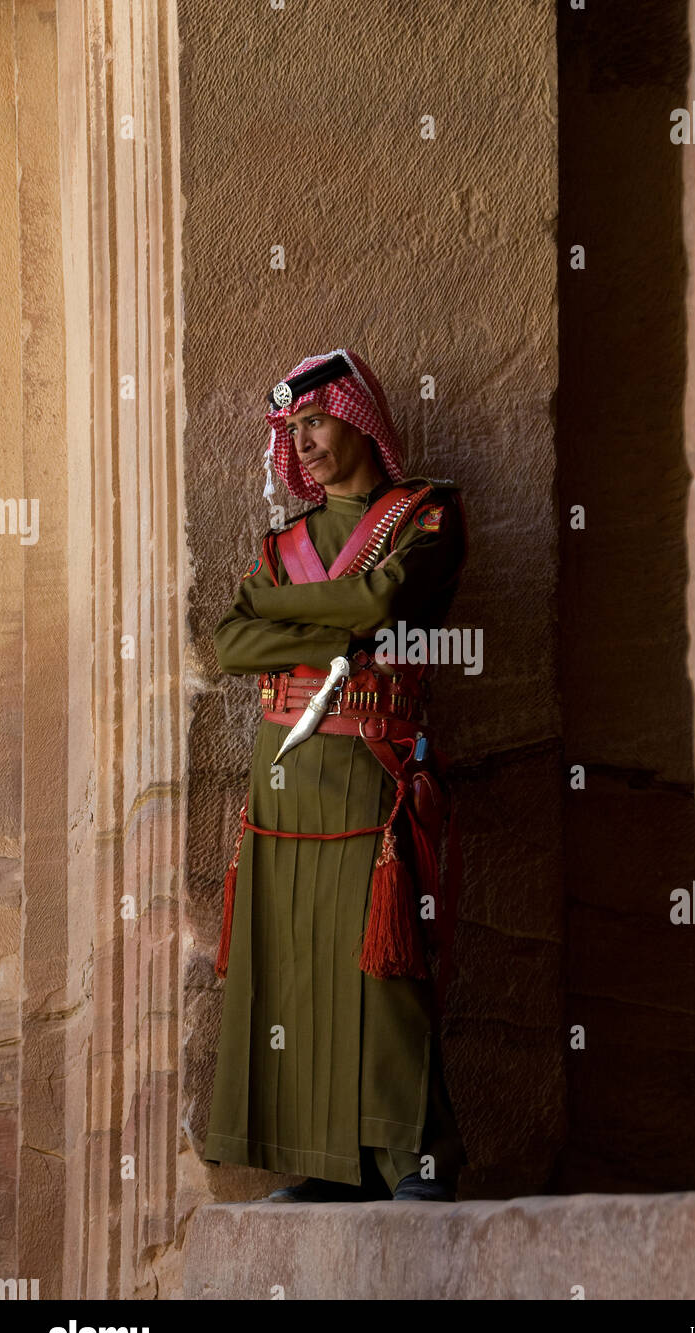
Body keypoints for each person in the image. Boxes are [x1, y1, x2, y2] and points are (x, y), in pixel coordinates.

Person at [203, 348, 468, 1201]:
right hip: (281, 770)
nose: (303, 445)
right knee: (294, 965)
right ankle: (330, 1166)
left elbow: (390, 603)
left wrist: (277, 609)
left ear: (357, 417)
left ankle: (414, 1160)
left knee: (380, 966)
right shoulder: (282, 544)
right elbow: (230, 644)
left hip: (375, 762)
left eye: (314, 422)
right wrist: (346, 627)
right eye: (290, 431)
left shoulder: (427, 515)